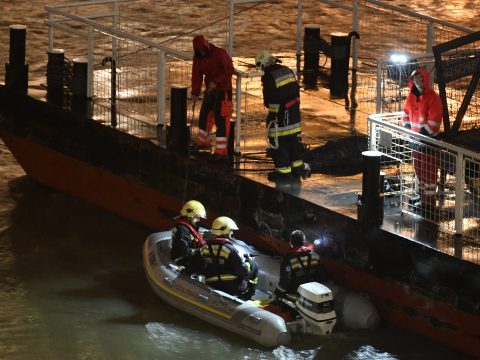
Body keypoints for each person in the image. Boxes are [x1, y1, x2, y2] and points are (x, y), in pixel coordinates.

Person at [255, 50, 311, 181]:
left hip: (280, 116)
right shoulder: (287, 70)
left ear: (263, 65)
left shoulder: (269, 76)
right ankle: (297, 168)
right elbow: (296, 91)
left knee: (279, 143)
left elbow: (270, 100)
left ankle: (283, 173)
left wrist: (272, 116)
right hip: (294, 113)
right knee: (293, 141)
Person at [402, 68, 443, 216]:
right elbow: (406, 114)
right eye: (415, 79)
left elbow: (433, 123)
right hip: (417, 141)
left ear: (425, 80)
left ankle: (429, 203)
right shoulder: (411, 96)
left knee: (429, 173)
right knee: (419, 170)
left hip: (429, 142)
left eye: (420, 79)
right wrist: (408, 130)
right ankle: (421, 198)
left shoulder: (433, 98)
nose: (418, 82)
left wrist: (418, 135)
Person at [191, 34, 234, 161]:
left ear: (207, 47)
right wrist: (195, 92)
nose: (202, 52)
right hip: (210, 90)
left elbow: (229, 70)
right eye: (199, 51)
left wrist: (216, 82)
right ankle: (203, 141)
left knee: (221, 120)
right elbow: (196, 76)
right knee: (204, 115)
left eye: (203, 50)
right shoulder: (198, 59)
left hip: (223, 90)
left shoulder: (220, 53)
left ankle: (221, 151)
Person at [193, 216, 258, 299]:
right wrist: (248, 262)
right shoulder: (229, 250)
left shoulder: (204, 248)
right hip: (230, 287)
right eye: (231, 230)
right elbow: (242, 271)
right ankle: (247, 296)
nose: (232, 233)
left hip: (210, 283)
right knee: (254, 266)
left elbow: (194, 265)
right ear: (225, 231)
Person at [275, 230, 329, 303]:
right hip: (311, 298)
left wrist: (278, 293)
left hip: (294, 299)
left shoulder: (289, 259)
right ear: (304, 242)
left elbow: (285, 280)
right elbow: (323, 276)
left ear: (291, 243)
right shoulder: (314, 257)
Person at [170, 200, 206, 266]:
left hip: (186, 257)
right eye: (197, 217)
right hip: (181, 260)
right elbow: (183, 252)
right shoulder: (182, 230)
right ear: (190, 215)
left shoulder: (186, 227)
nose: (199, 220)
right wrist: (201, 251)